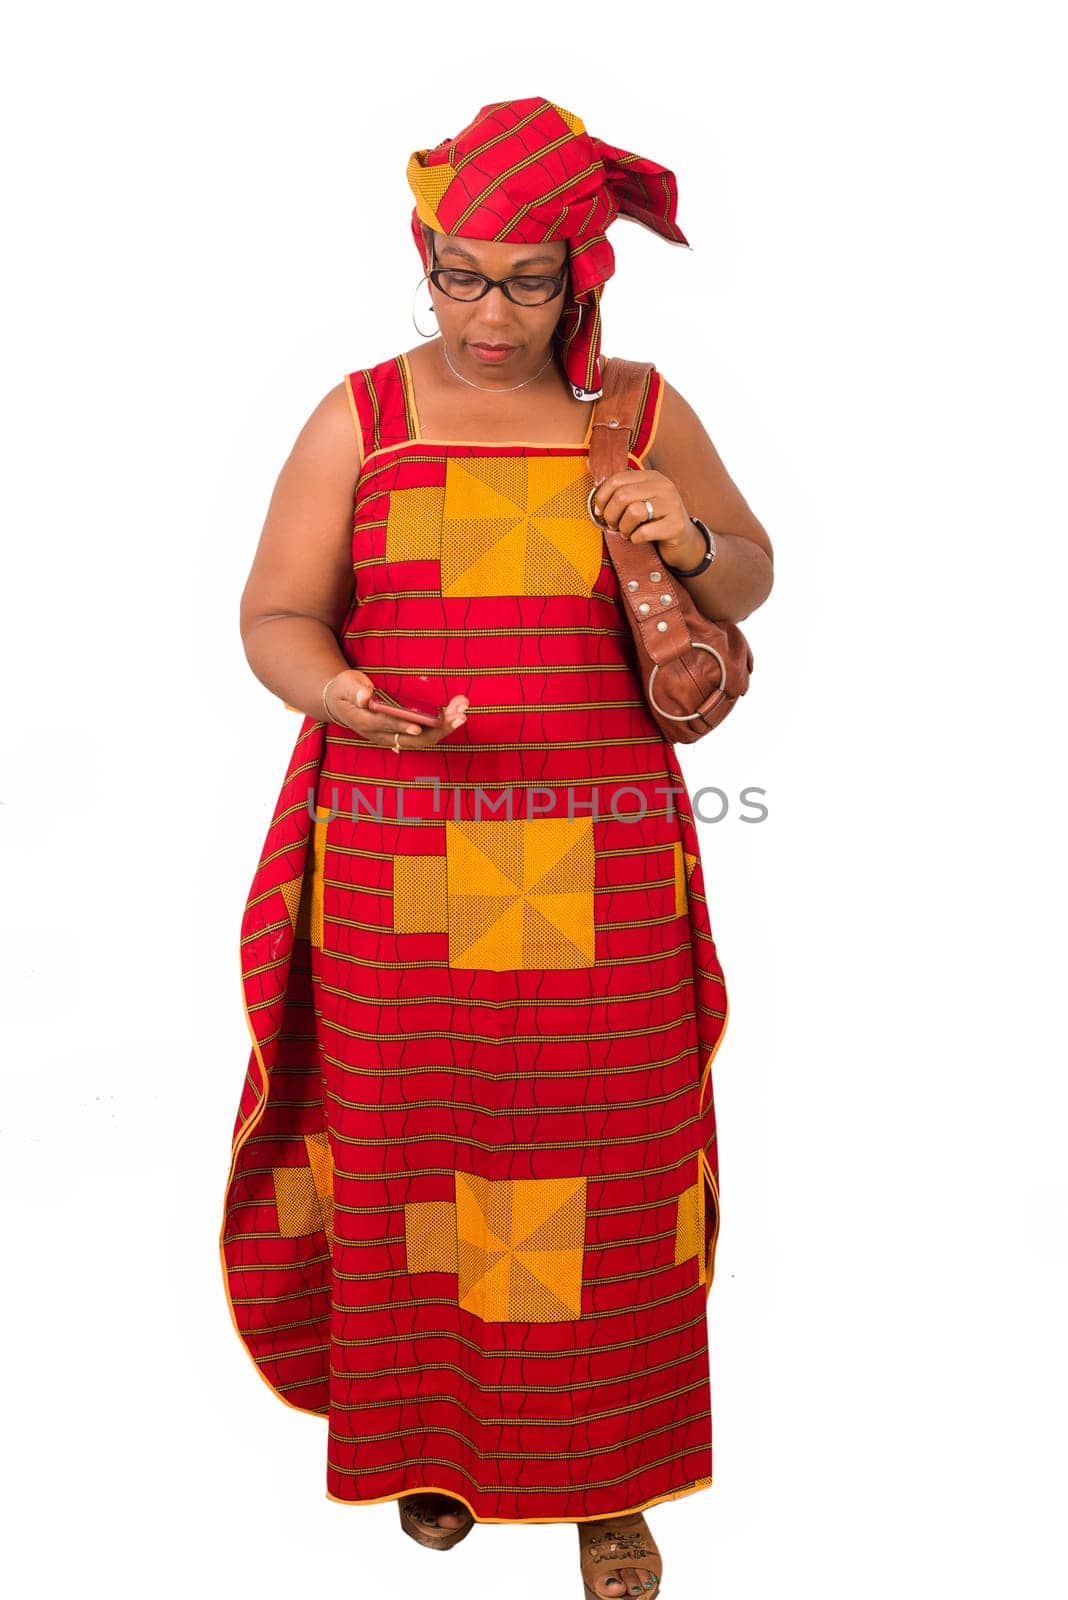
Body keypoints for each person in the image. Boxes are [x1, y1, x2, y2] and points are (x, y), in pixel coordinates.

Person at [219, 97, 773, 1600]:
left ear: (584, 277)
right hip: (398, 871)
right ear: (426, 259)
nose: (486, 311)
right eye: (457, 273)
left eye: (526, 280)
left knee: (611, 1164)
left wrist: (686, 536)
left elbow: (752, 569)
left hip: (602, 879)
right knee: (418, 1164)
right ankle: (436, 1444)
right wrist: (339, 691)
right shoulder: (364, 416)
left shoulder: (642, 411)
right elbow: (278, 613)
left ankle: (613, 1482)